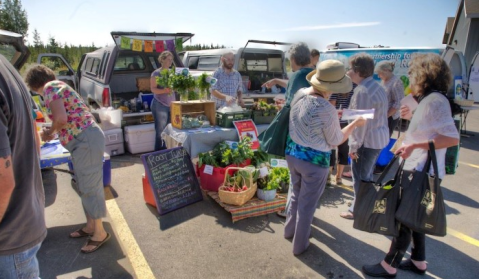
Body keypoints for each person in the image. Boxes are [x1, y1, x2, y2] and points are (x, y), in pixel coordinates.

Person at [362, 53, 459, 278]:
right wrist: (412, 117)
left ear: (424, 75)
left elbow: (451, 138)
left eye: (413, 74)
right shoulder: (431, 99)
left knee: (403, 218)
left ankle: (389, 265)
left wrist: (414, 144)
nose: (411, 78)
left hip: (419, 170)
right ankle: (418, 260)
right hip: (420, 169)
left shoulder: (435, 101)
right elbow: (430, 128)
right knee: (414, 216)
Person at [25, 65, 110, 254]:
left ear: (34, 84)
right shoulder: (58, 86)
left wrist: (49, 133)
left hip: (85, 140)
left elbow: (61, 119)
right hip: (85, 139)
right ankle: (90, 226)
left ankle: (99, 232)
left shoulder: (49, 88)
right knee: (84, 185)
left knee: (89, 187)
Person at [285, 60, 366, 255]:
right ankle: (300, 246)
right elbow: (336, 139)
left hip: (293, 154)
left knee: (295, 195)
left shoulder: (300, 94)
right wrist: (354, 124)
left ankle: (289, 232)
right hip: (314, 162)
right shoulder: (326, 108)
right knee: (307, 205)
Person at [0, 55, 47, 278]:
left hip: (8, 238)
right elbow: (35, 138)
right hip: (24, 221)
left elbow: (3, 182)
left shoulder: (54, 91)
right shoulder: (7, 68)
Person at [262, 42, 314, 218]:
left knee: (294, 175)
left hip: (296, 132)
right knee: (307, 176)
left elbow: (291, 105)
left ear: (293, 59)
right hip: (313, 133)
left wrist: (283, 107)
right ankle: (305, 212)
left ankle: (290, 211)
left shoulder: (297, 74)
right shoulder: (314, 74)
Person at [340, 53, 389, 220]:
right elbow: (370, 114)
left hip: (366, 142)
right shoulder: (377, 87)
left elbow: (361, 123)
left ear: (357, 70)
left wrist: (353, 147)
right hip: (378, 139)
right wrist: (345, 113)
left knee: (360, 178)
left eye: (350, 68)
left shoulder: (362, 91)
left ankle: (358, 210)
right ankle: (362, 205)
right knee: (366, 176)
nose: (348, 71)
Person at [328, 84, 356, 185]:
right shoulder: (355, 88)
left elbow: (331, 106)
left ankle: (328, 177)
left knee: (330, 148)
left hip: (335, 121)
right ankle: (339, 177)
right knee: (344, 149)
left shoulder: (335, 88)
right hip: (348, 122)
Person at [150, 51, 176, 151]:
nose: (170, 62)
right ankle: (158, 154)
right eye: (168, 59)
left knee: (170, 131)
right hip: (160, 105)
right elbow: (153, 89)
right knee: (160, 131)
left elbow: (175, 88)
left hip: (171, 105)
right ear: (162, 60)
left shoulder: (172, 73)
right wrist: (165, 90)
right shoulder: (156, 73)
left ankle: (168, 151)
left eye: (171, 59)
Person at [375, 61, 404, 137]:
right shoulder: (384, 80)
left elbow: (398, 103)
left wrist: (386, 115)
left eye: (379, 73)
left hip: (390, 117)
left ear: (386, 70)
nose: (378, 76)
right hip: (382, 115)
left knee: (385, 138)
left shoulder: (396, 83)